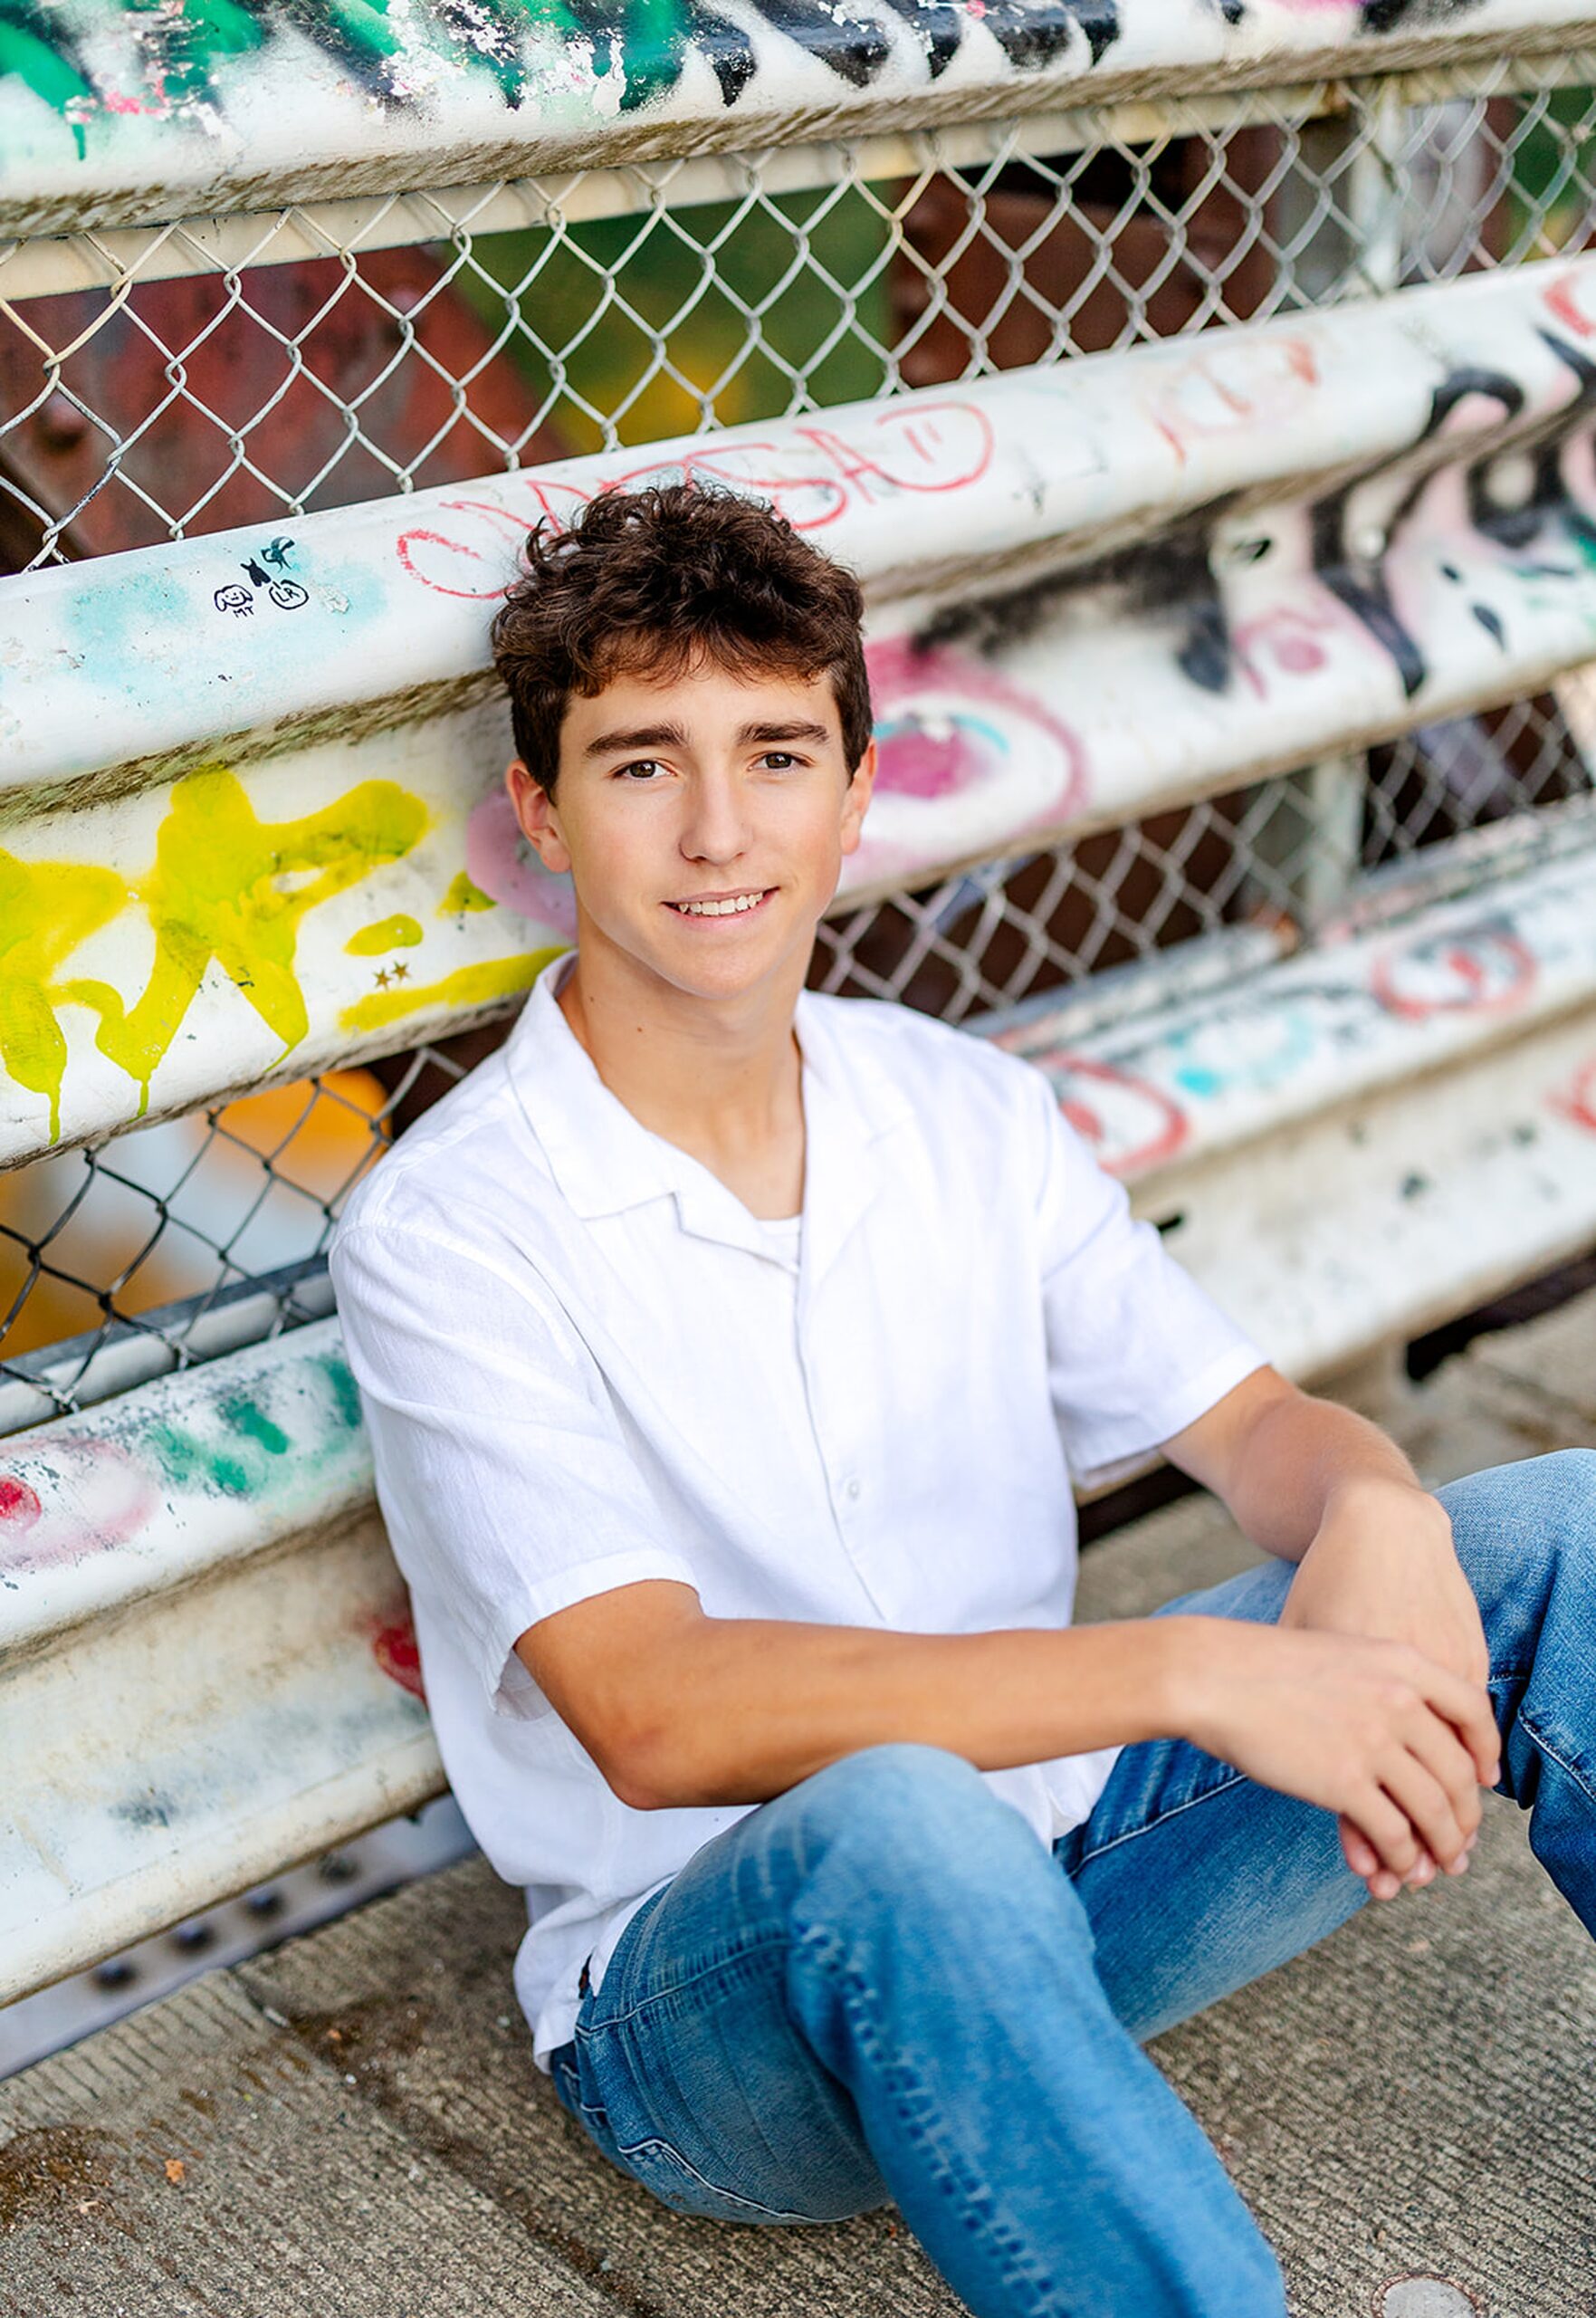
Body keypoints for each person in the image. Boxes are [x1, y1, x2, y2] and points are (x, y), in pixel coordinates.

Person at [329, 482, 1596, 2318]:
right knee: (905, 1814)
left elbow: (1254, 1434)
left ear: (856, 792)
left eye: (775, 754)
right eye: (637, 764)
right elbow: (656, 1712)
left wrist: (1382, 1509)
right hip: (721, 2012)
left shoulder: (960, 1109)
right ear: (539, 809)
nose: (715, 829)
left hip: (1074, 1865)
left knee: (1559, 1530)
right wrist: (1198, 1670)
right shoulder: (448, 1227)